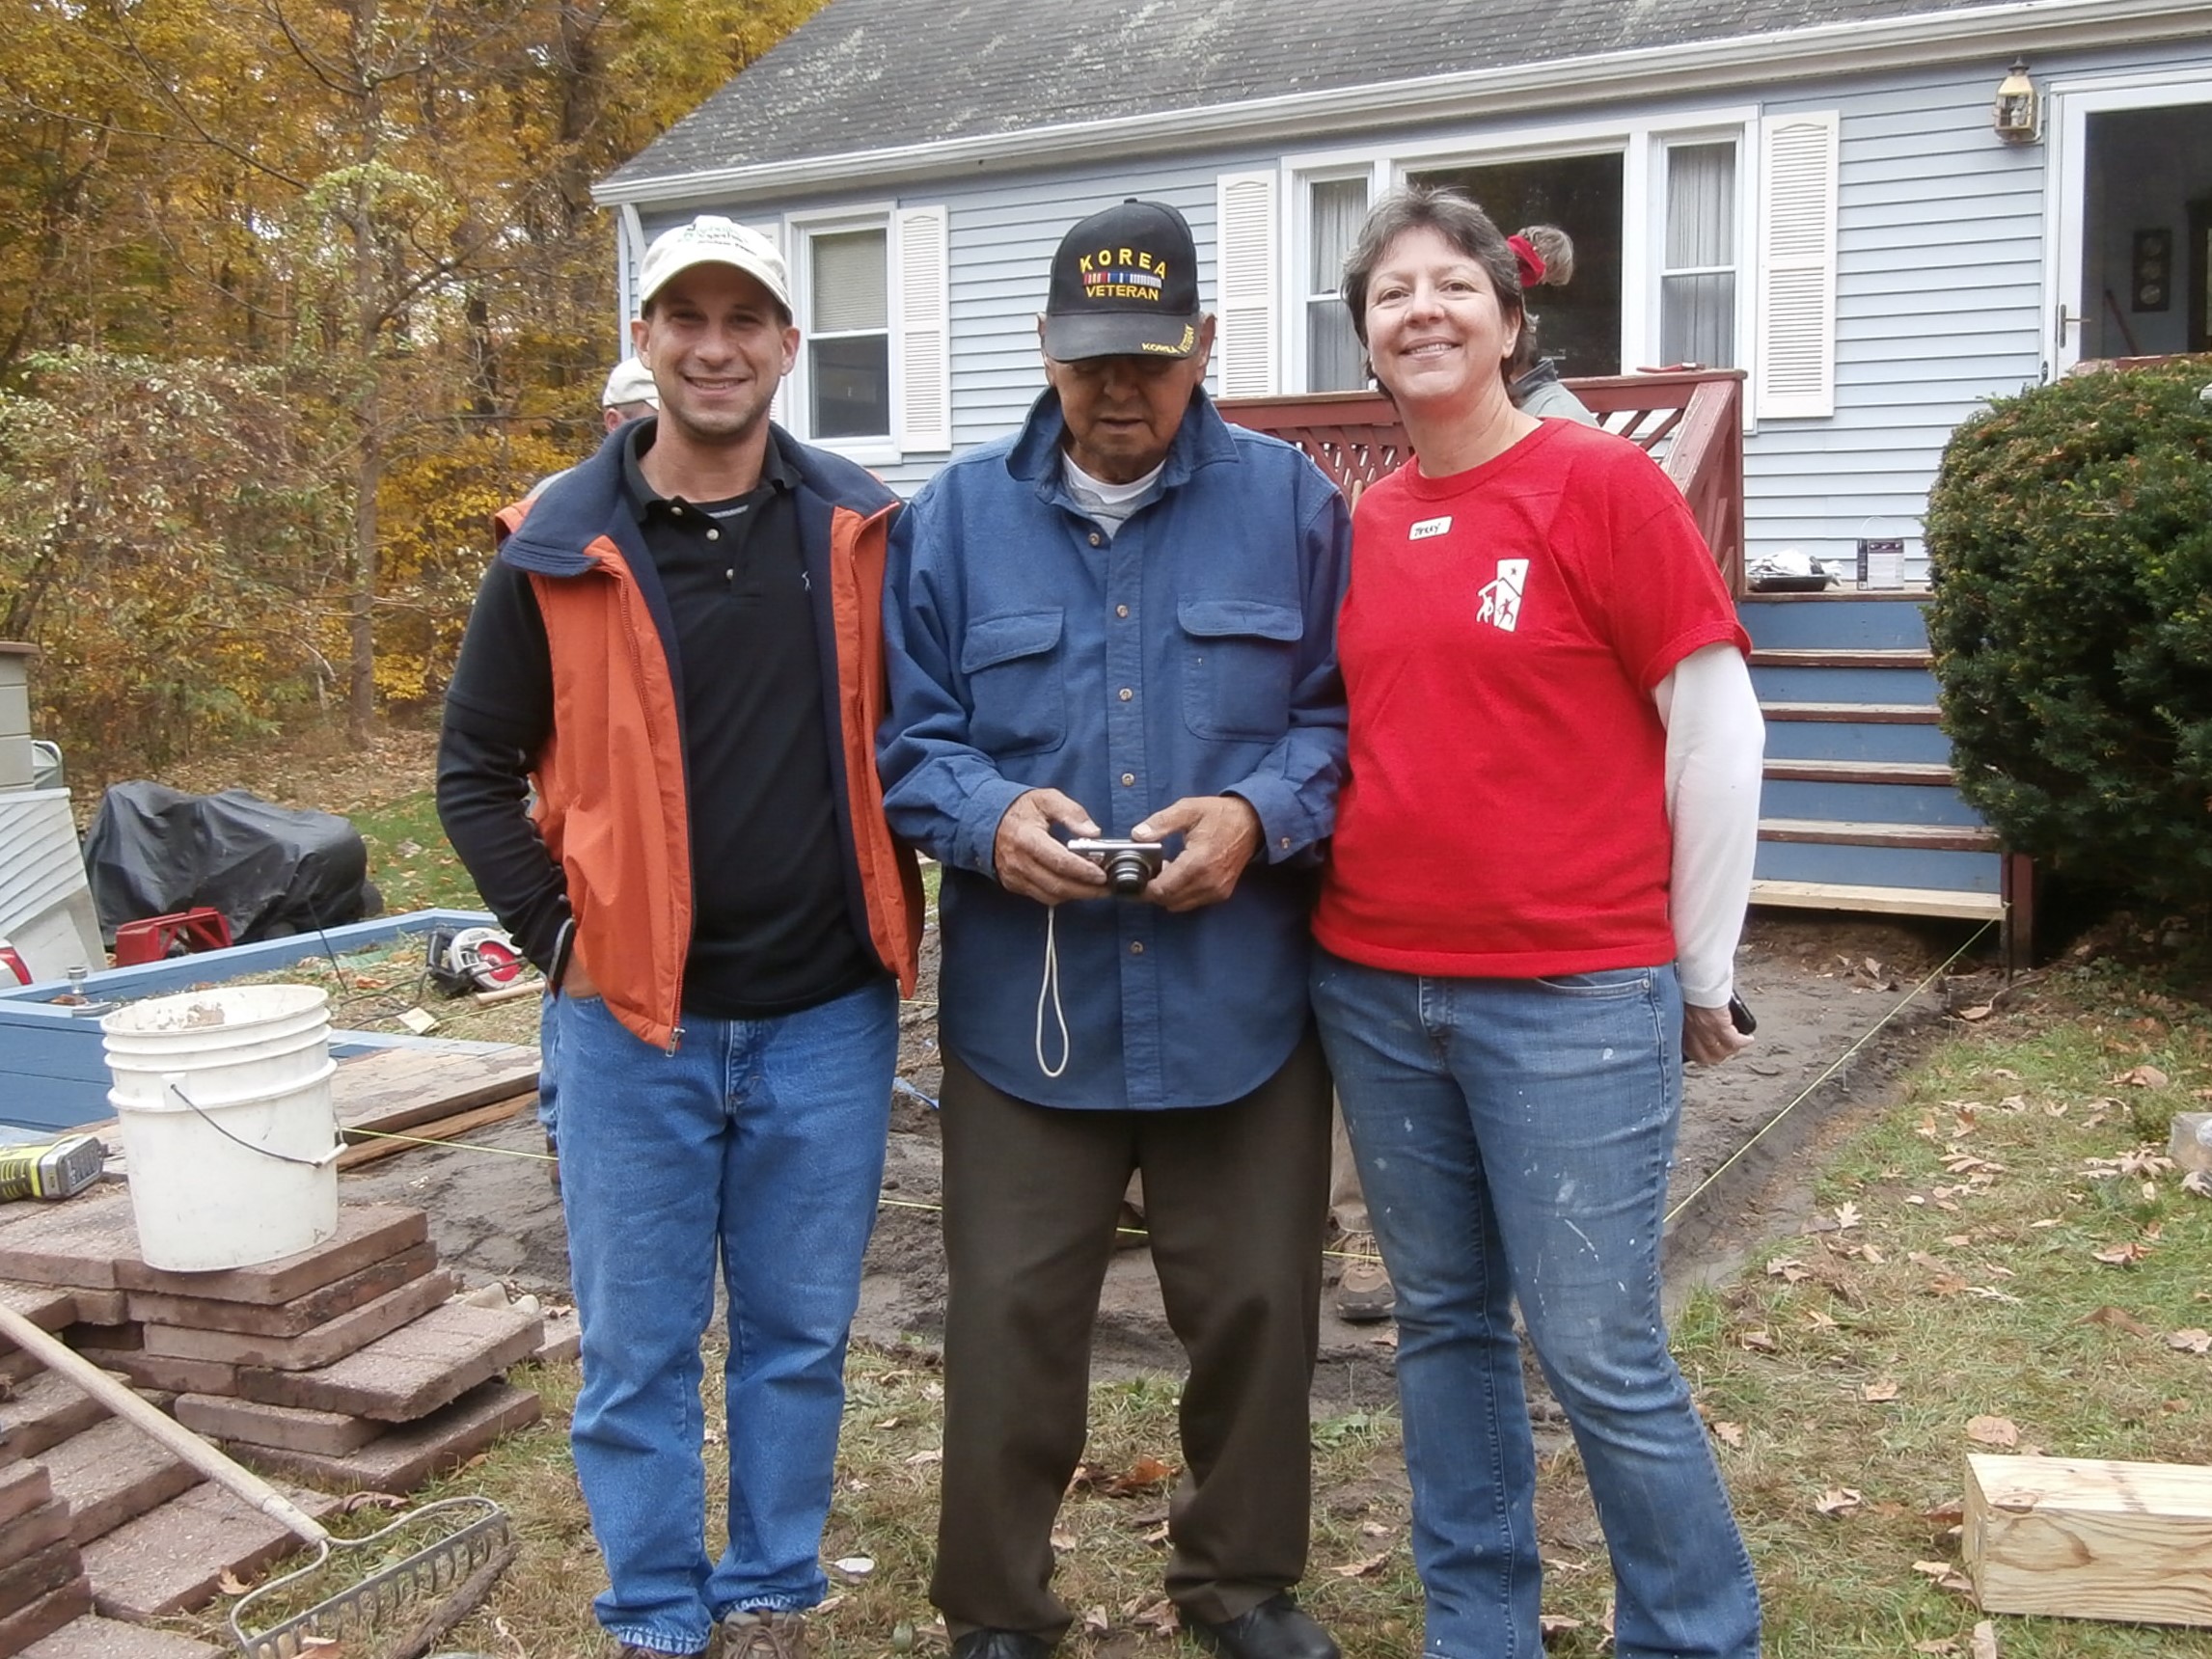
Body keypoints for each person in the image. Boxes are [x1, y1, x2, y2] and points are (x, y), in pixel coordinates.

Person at [436, 213, 920, 1659]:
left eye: (745, 320)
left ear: (787, 344)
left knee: (796, 1336)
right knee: (638, 1349)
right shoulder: (558, 544)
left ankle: (772, 1576)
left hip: (826, 1017)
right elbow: (472, 769)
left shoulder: (861, 530)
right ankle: (653, 1597)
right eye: (684, 319)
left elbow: (924, 737)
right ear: (644, 341)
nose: (715, 346)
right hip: (629, 1023)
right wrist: (557, 941)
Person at [880, 199, 1351, 1659]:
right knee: (1009, 1318)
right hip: (1033, 1012)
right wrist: (988, 820)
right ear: (1044, 350)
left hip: (1241, 999)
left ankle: (1240, 1587)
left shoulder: (1293, 506)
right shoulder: (951, 520)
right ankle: (998, 1611)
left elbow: (1346, 719)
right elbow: (912, 738)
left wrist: (1260, 817)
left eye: (1151, 357)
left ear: (1203, 347)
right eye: (1091, 361)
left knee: (1263, 1309)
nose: (1120, 390)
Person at [1310, 184, 1765, 1659]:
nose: (1421, 311)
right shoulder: (1368, 521)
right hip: (1377, 988)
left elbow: (1713, 723)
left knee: (1597, 1349)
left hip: (1570, 994)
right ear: (1368, 343)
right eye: (1391, 295)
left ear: (1510, 320)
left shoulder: (1598, 488)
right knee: (1442, 1325)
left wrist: (1699, 965)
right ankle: (1480, 1627)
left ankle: (1693, 1635)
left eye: (1453, 286)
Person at [528, 353, 663, 1193]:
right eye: (636, 411)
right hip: (591, 813)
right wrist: (551, 934)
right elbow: (483, 743)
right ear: (612, 422)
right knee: (576, 964)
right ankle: (557, 1114)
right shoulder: (557, 518)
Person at [1501, 224, 1597, 425]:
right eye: (1550, 273)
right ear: (1546, 257)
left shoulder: (1503, 255)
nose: (1542, 282)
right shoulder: (1513, 267)